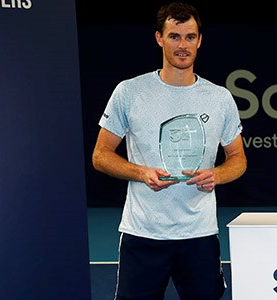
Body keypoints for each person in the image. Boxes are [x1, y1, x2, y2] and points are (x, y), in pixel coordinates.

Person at [92, 2, 246, 299]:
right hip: (143, 234)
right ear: (159, 38)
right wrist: (141, 172)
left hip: (199, 235)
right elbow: (101, 155)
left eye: (190, 37)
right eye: (174, 36)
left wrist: (216, 174)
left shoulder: (220, 98)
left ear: (200, 40)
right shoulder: (129, 92)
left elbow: (238, 159)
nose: (183, 45)